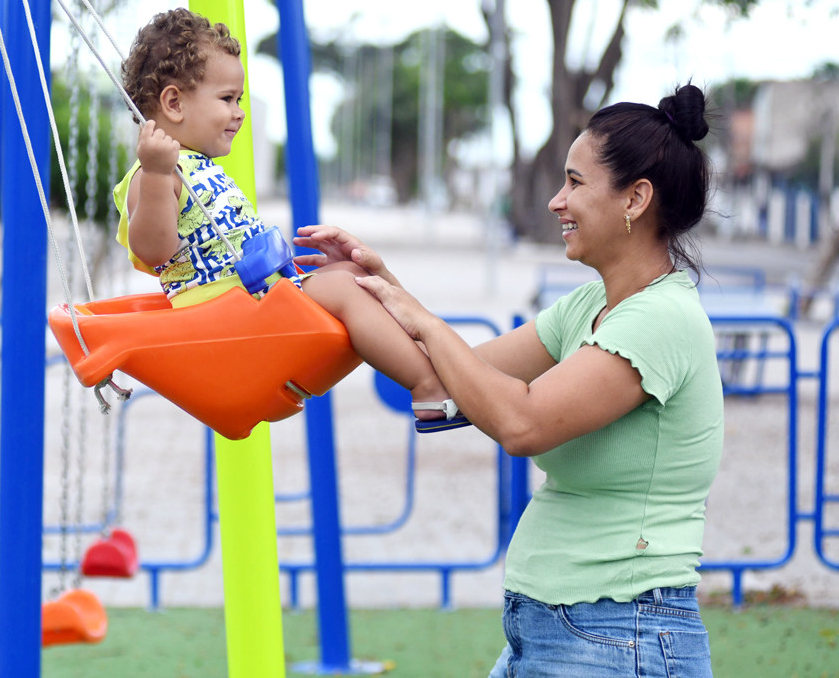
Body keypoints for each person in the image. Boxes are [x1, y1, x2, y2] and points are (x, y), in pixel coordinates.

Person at [295, 84, 723, 678]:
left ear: (636, 199)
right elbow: (455, 376)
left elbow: (522, 423)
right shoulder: (590, 307)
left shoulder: (660, 320)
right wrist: (378, 281)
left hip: (620, 633)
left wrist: (414, 316)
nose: (555, 201)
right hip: (557, 628)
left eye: (574, 182)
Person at [114, 7, 444, 401]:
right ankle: (427, 386)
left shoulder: (194, 165)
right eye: (227, 99)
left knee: (352, 272)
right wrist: (154, 174)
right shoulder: (153, 174)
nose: (239, 113)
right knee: (342, 287)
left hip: (250, 299)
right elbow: (153, 250)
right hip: (220, 316)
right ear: (174, 103)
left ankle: (433, 362)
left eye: (239, 99)